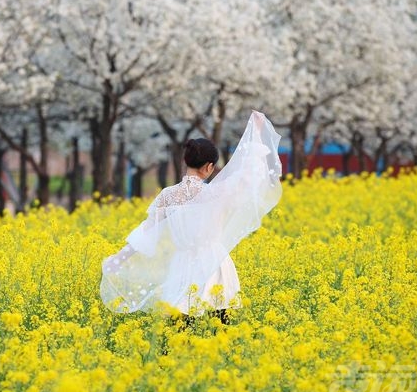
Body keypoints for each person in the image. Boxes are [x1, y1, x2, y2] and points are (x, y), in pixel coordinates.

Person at [99, 110, 283, 326]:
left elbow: (146, 231)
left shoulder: (167, 195)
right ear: (209, 167)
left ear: (185, 162)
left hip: (182, 264)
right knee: (221, 326)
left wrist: (118, 260)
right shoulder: (215, 194)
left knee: (179, 327)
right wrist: (257, 134)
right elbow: (249, 176)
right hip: (215, 263)